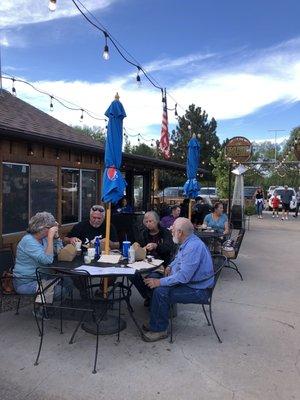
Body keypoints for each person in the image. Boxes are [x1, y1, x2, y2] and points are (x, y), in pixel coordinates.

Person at [142, 218, 214, 342]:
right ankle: (157, 321)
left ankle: (160, 329)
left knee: (160, 290)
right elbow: (178, 259)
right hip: (192, 283)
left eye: (173, 229)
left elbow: (183, 277)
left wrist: (159, 282)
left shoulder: (192, 247)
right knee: (156, 281)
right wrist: (170, 266)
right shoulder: (189, 241)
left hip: (199, 290)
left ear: (180, 232)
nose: (170, 230)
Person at [13, 212, 71, 299]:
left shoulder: (44, 238)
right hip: (27, 282)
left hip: (43, 276)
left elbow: (59, 252)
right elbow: (47, 260)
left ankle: (51, 306)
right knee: (59, 291)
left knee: (68, 282)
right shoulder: (28, 241)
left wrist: (56, 237)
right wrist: (50, 238)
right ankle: (40, 310)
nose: (53, 229)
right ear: (42, 228)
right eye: (50, 227)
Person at [130, 211, 175, 305]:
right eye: (146, 222)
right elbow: (139, 245)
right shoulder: (144, 233)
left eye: (151, 221)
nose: (148, 224)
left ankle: (153, 299)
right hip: (145, 264)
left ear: (157, 221)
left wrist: (156, 246)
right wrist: (137, 246)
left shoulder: (165, 232)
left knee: (151, 278)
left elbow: (169, 247)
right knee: (132, 275)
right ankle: (149, 296)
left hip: (162, 266)